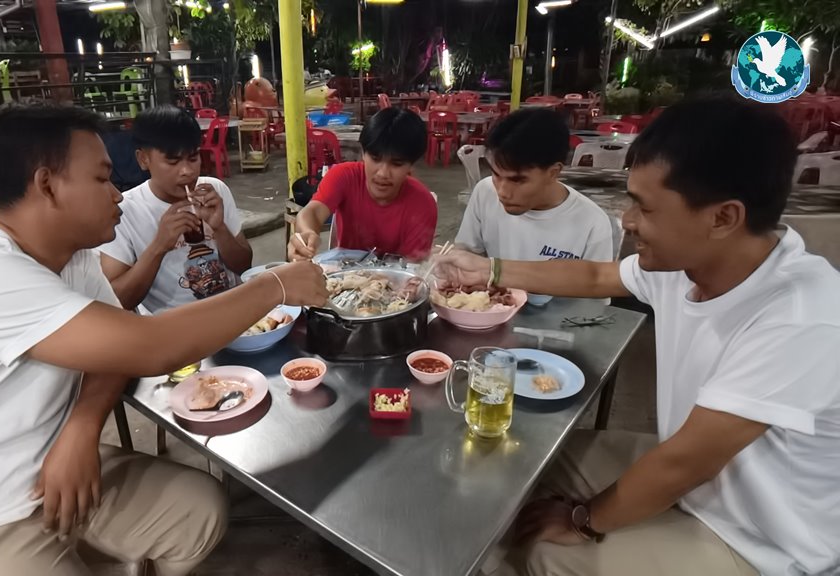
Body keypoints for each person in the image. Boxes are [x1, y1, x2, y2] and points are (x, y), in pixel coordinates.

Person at [0, 102, 327, 576]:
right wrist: (275, 285)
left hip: (39, 471)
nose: (117, 195)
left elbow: (116, 348)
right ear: (47, 185)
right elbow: (148, 347)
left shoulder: (72, 259)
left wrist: (83, 427)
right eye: (101, 179)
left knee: (199, 511)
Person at [436, 97, 840, 576]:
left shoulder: (802, 318)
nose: (627, 221)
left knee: (549, 551)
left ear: (723, 218)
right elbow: (594, 276)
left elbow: (684, 464)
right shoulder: (685, 263)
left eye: (644, 208)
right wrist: (489, 269)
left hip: (758, 539)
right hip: (700, 483)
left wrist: (583, 520)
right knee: (517, 464)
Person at [99, 105, 252, 313]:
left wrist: (219, 228)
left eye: (193, 158)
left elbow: (244, 266)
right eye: (173, 162)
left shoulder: (215, 190)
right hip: (175, 325)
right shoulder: (124, 211)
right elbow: (117, 301)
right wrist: (159, 245)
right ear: (143, 159)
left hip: (234, 311)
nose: (187, 171)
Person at [455, 108, 613, 264]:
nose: (502, 192)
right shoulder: (485, 192)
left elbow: (595, 279)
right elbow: (467, 254)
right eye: (496, 174)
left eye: (517, 180)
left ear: (553, 172)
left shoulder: (592, 224)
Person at [289, 107, 437, 262]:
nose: (383, 173)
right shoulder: (344, 176)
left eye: (397, 164)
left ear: (411, 165)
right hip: (345, 271)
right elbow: (312, 212)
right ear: (362, 154)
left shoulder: (422, 203)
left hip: (396, 275)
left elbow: (413, 266)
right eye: (375, 158)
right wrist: (306, 233)